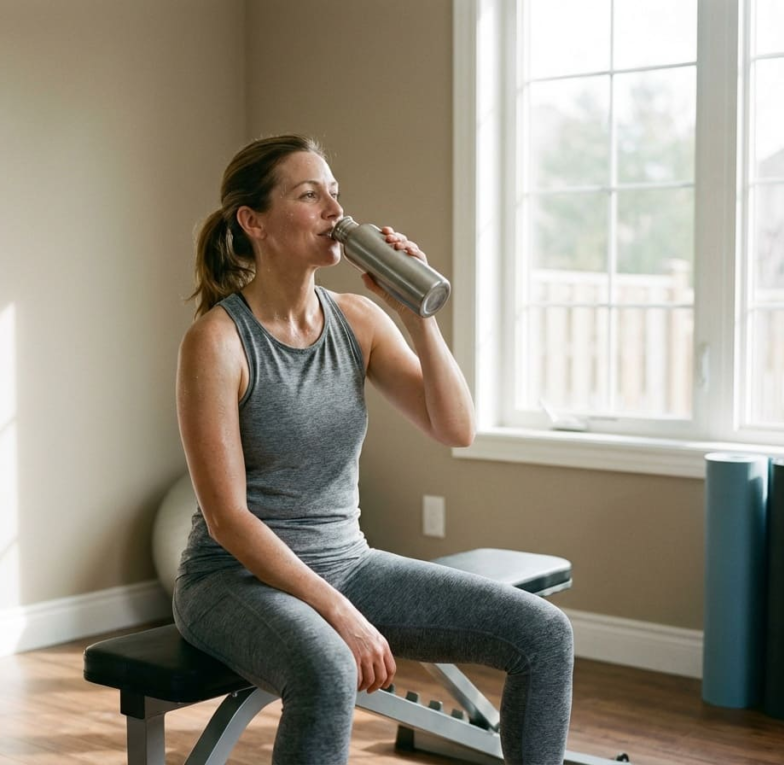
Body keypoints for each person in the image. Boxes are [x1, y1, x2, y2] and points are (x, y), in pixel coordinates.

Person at [173, 134, 573, 765]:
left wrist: (419, 315)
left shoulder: (358, 320)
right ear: (254, 222)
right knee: (330, 668)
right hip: (233, 582)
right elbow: (228, 519)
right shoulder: (218, 341)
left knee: (543, 633)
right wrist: (341, 613)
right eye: (310, 195)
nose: (335, 210)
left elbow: (455, 427)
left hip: (347, 562)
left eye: (335, 192)